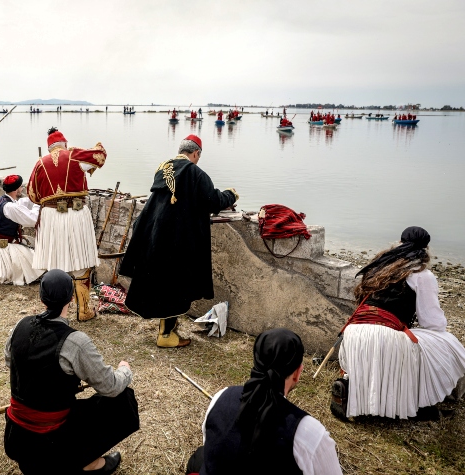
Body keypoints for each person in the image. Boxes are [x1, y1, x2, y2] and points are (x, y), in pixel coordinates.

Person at [3, 269, 139, 475]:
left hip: (17, 436)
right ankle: (86, 462)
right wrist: (124, 370)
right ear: (72, 298)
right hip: (49, 440)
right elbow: (110, 386)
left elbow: (10, 362)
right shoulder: (75, 342)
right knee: (123, 399)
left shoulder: (19, 326)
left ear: (41, 298)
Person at [334, 226, 465, 420]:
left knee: (396, 344)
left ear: (399, 243)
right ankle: (416, 403)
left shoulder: (379, 266)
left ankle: (353, 391)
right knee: (448, 342)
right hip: (383, 338)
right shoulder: (422, 275)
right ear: (426, 249)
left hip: (352, 336)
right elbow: (433, 323)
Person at [119, 135, 237, 348]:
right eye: (199, 156)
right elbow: (213, 201)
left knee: (164, 283)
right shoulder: (195, 173)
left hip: (155, 233)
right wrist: (231, 195)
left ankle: (169, 328)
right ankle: (165, 336)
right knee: (173, 285)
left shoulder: (163, 168)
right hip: (177, 238)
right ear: (196, 153)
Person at [185, 328, 342, 475]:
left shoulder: (221, 396)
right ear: (297, 373)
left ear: (256, 361)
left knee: (199, 457)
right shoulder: (310, 434)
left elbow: (210, 445)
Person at [27, 127, 107, 321]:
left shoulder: (40, 163)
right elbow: (100, 156)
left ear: (49, 147)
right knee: (81, 262)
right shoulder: (74, 155)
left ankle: (54, 311)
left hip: (50, 217)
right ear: (64, 143)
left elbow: (32, 194)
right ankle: (84, 310)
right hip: (76, 213)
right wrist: (96, 145)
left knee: (54, 262)